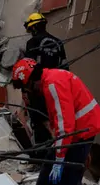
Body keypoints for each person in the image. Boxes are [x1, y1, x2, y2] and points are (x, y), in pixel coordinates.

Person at [8, 57, 100, 185]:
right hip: (78, 130)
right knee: (50, 160)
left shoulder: (52, 85)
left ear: (31, 81)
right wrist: (56, 152)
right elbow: (60, 119)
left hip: (80, 134)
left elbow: (65, 125)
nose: (26, 92)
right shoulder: (52, 77)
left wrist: (60, 158)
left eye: (25, 88)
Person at [23, 12, 68, 159]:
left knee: (39, 123)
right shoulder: (58, 42)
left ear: (34, 28)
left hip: (38, 91)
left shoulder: (33, 43)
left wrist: (25, 91)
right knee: (55, 122)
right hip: (57, 89)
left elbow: (28, 69)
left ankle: (42, 159)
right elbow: (65, 67)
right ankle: (57, 154)